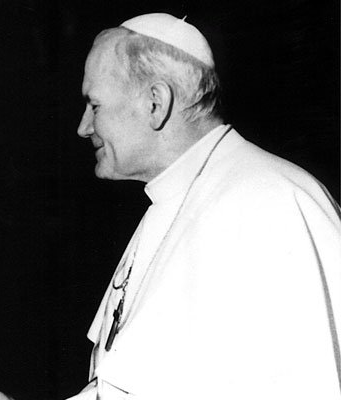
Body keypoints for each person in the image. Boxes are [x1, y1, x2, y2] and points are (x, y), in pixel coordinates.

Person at [71, 13, 341, 400]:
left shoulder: (276, 202)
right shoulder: (168, 201)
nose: (83, 127)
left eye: (94, 105)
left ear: (155, 103)